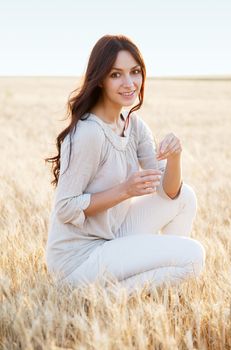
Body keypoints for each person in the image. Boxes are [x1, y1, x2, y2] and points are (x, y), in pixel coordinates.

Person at [44, 34, 205, 295]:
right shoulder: (88, 133)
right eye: (116, 74)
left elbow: (169, 193)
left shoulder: (134, 125)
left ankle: (156, 283)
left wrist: (175, 157)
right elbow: (65, 208)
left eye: (135, 72)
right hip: (78, 261)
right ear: (100, 80)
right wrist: (125, 190)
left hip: (111, 236)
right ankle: (103, 299)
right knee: (193, 257)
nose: (129, 83)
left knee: (186, 196)